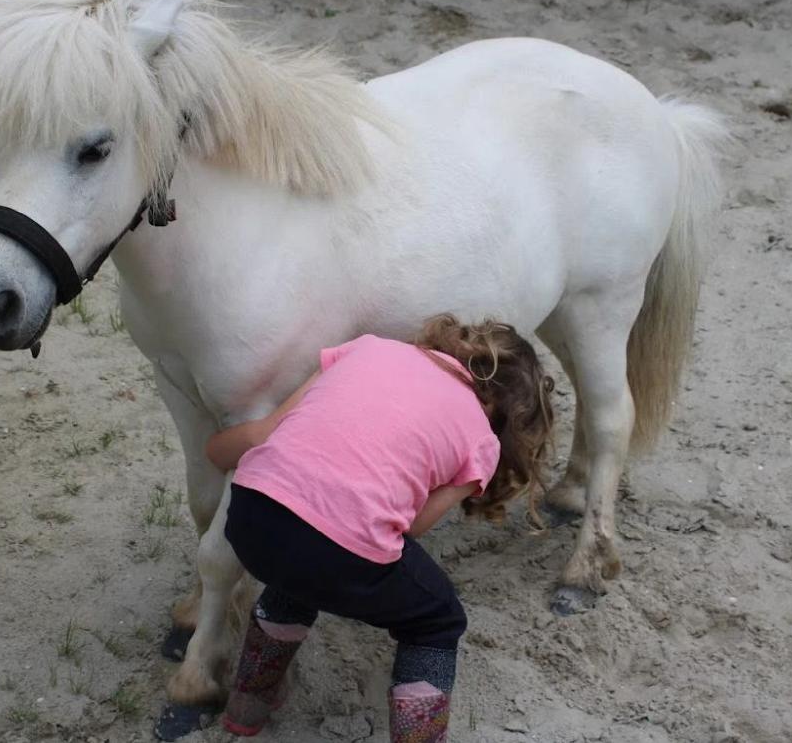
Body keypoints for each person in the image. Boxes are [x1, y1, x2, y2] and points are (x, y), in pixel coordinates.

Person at [207, 314, 556, 741]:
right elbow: (410, 526)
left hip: (251, 515)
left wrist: (214, 451)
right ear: (510, 415)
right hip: (342, 550)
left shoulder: (368, 348)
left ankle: (248, 704)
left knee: (299, 571)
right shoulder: (483, 440)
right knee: (437, 619)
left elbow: (265, 433)